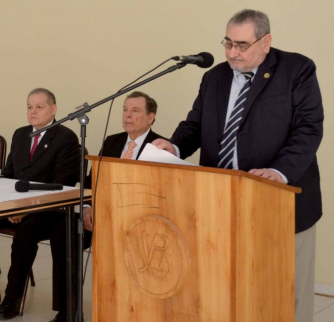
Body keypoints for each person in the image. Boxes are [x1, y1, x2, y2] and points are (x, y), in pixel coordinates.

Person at [152, 9, 323, 322]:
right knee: (228, 286)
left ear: (266, 41)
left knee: (286, 292)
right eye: (228, 43)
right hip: (220, 199)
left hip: (280, 199)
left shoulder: (296, 69)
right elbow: (195, 125)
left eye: (242, 45)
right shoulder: (214, 77)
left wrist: (279, 172)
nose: (232, 52)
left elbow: (309, 128)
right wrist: (173, 146)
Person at [0, 88, 80, 321]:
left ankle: (12, 298)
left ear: (53, 109)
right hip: (14, 205)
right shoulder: (20, 134)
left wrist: (27, 209)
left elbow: (61, 186)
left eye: (39, 107)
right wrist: (8, 206)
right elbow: (8, 175)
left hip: (47, 210)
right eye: (29, 107)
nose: (33, 112)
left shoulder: (65, 138)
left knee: (25, 233)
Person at [49, 91, 165, 321]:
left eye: (135, 111)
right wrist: (88, 209)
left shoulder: (160, 146)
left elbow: (159, 193)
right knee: (63, 234)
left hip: (138, 220)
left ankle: (131, 309)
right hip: (102, 215)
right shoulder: (112, 141)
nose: (127, 116)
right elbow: (93, 182)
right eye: (124, 110)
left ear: (151, 117)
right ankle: (68, 310)